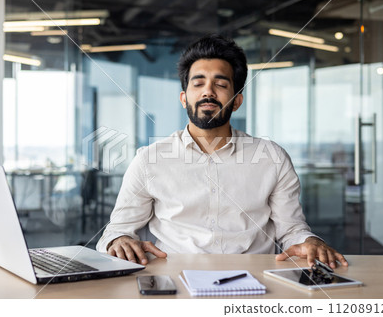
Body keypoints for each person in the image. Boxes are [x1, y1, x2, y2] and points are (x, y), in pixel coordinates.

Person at [96, 34, 348, 269]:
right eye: (198, 83)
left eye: (220, 83)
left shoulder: (273, 158)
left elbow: (292, 229)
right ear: (184, 98)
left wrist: (309, 240)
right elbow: (117, 229)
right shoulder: (148, 160)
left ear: (236, 100)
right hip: (174, 279)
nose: (208, 91)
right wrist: (117, 240)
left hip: (255, 280)